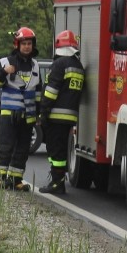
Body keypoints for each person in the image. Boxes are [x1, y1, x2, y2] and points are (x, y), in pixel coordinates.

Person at [0, 27, 43, 191]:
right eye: (24, 44)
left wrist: (39, 114)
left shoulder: (35, 65)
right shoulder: (6, 62)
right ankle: (0, 178)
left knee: (22, 148)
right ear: (17, 45)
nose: (27, 47)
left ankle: (15, 180)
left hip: (28, 115)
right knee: (6, 146)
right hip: (10, 113)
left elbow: (38, 92)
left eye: (29, 44)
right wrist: (3, 72)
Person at [38, 30, 85, 195]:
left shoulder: (59, 64)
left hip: (55, 116)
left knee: (55, 150)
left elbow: (51, 91)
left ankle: (57, 183)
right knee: (60, 149)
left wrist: (43, 111)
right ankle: (57, 180)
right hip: (69, 116)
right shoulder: (78, 65)